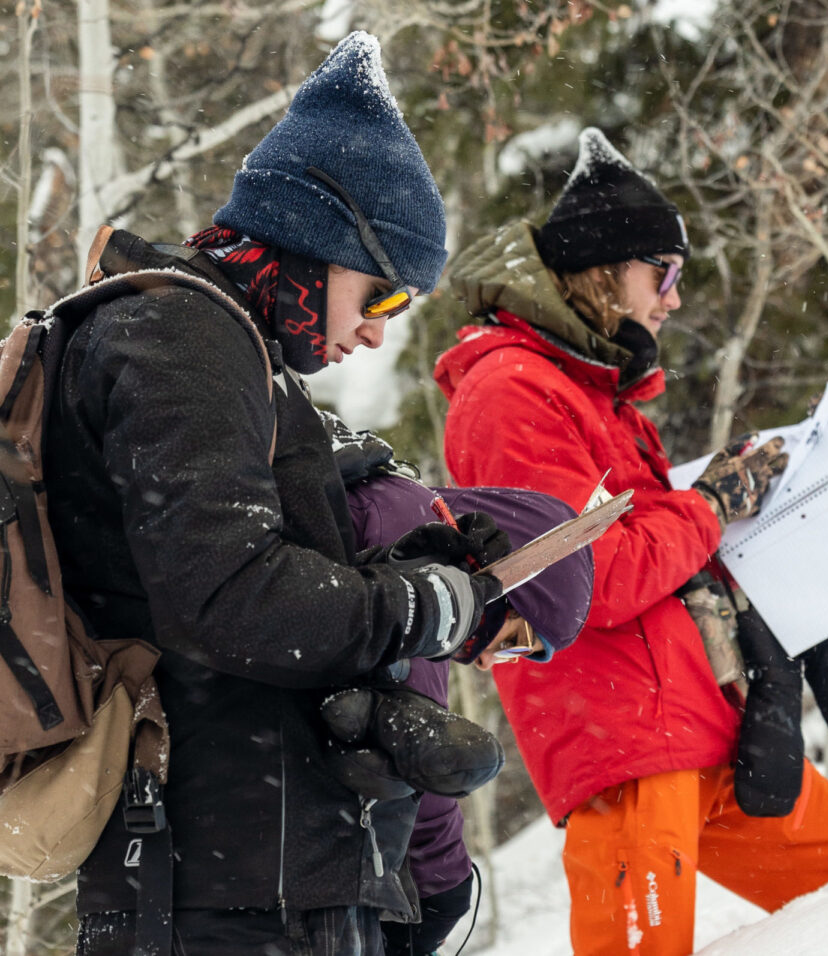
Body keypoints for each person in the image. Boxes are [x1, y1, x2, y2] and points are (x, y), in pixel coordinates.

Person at [45, 32, 503, 956]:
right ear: (312, 242)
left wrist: (398, 574)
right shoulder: (181, 338)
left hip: (255, 877)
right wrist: (414, 607)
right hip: (224, 892)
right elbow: (231, 600)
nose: (379, 333)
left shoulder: (231, 353)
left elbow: (220, 579)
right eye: (379, 295)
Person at [433, 127, 828, 955]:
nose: (674, 298)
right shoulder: (510, 393)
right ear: (604, 270)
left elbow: (657, 534)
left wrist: (781, 477)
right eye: (665, 273)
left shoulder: (595, 395)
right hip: (624, 747)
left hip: (706, 725)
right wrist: (709, 509)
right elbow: (589, 575)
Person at [325, 417, 594, 955]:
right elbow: (416, 745)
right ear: (512, 584)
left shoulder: (407, 513)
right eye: (517, 639)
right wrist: (444, 889)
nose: (495, 661)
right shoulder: (413, 540)